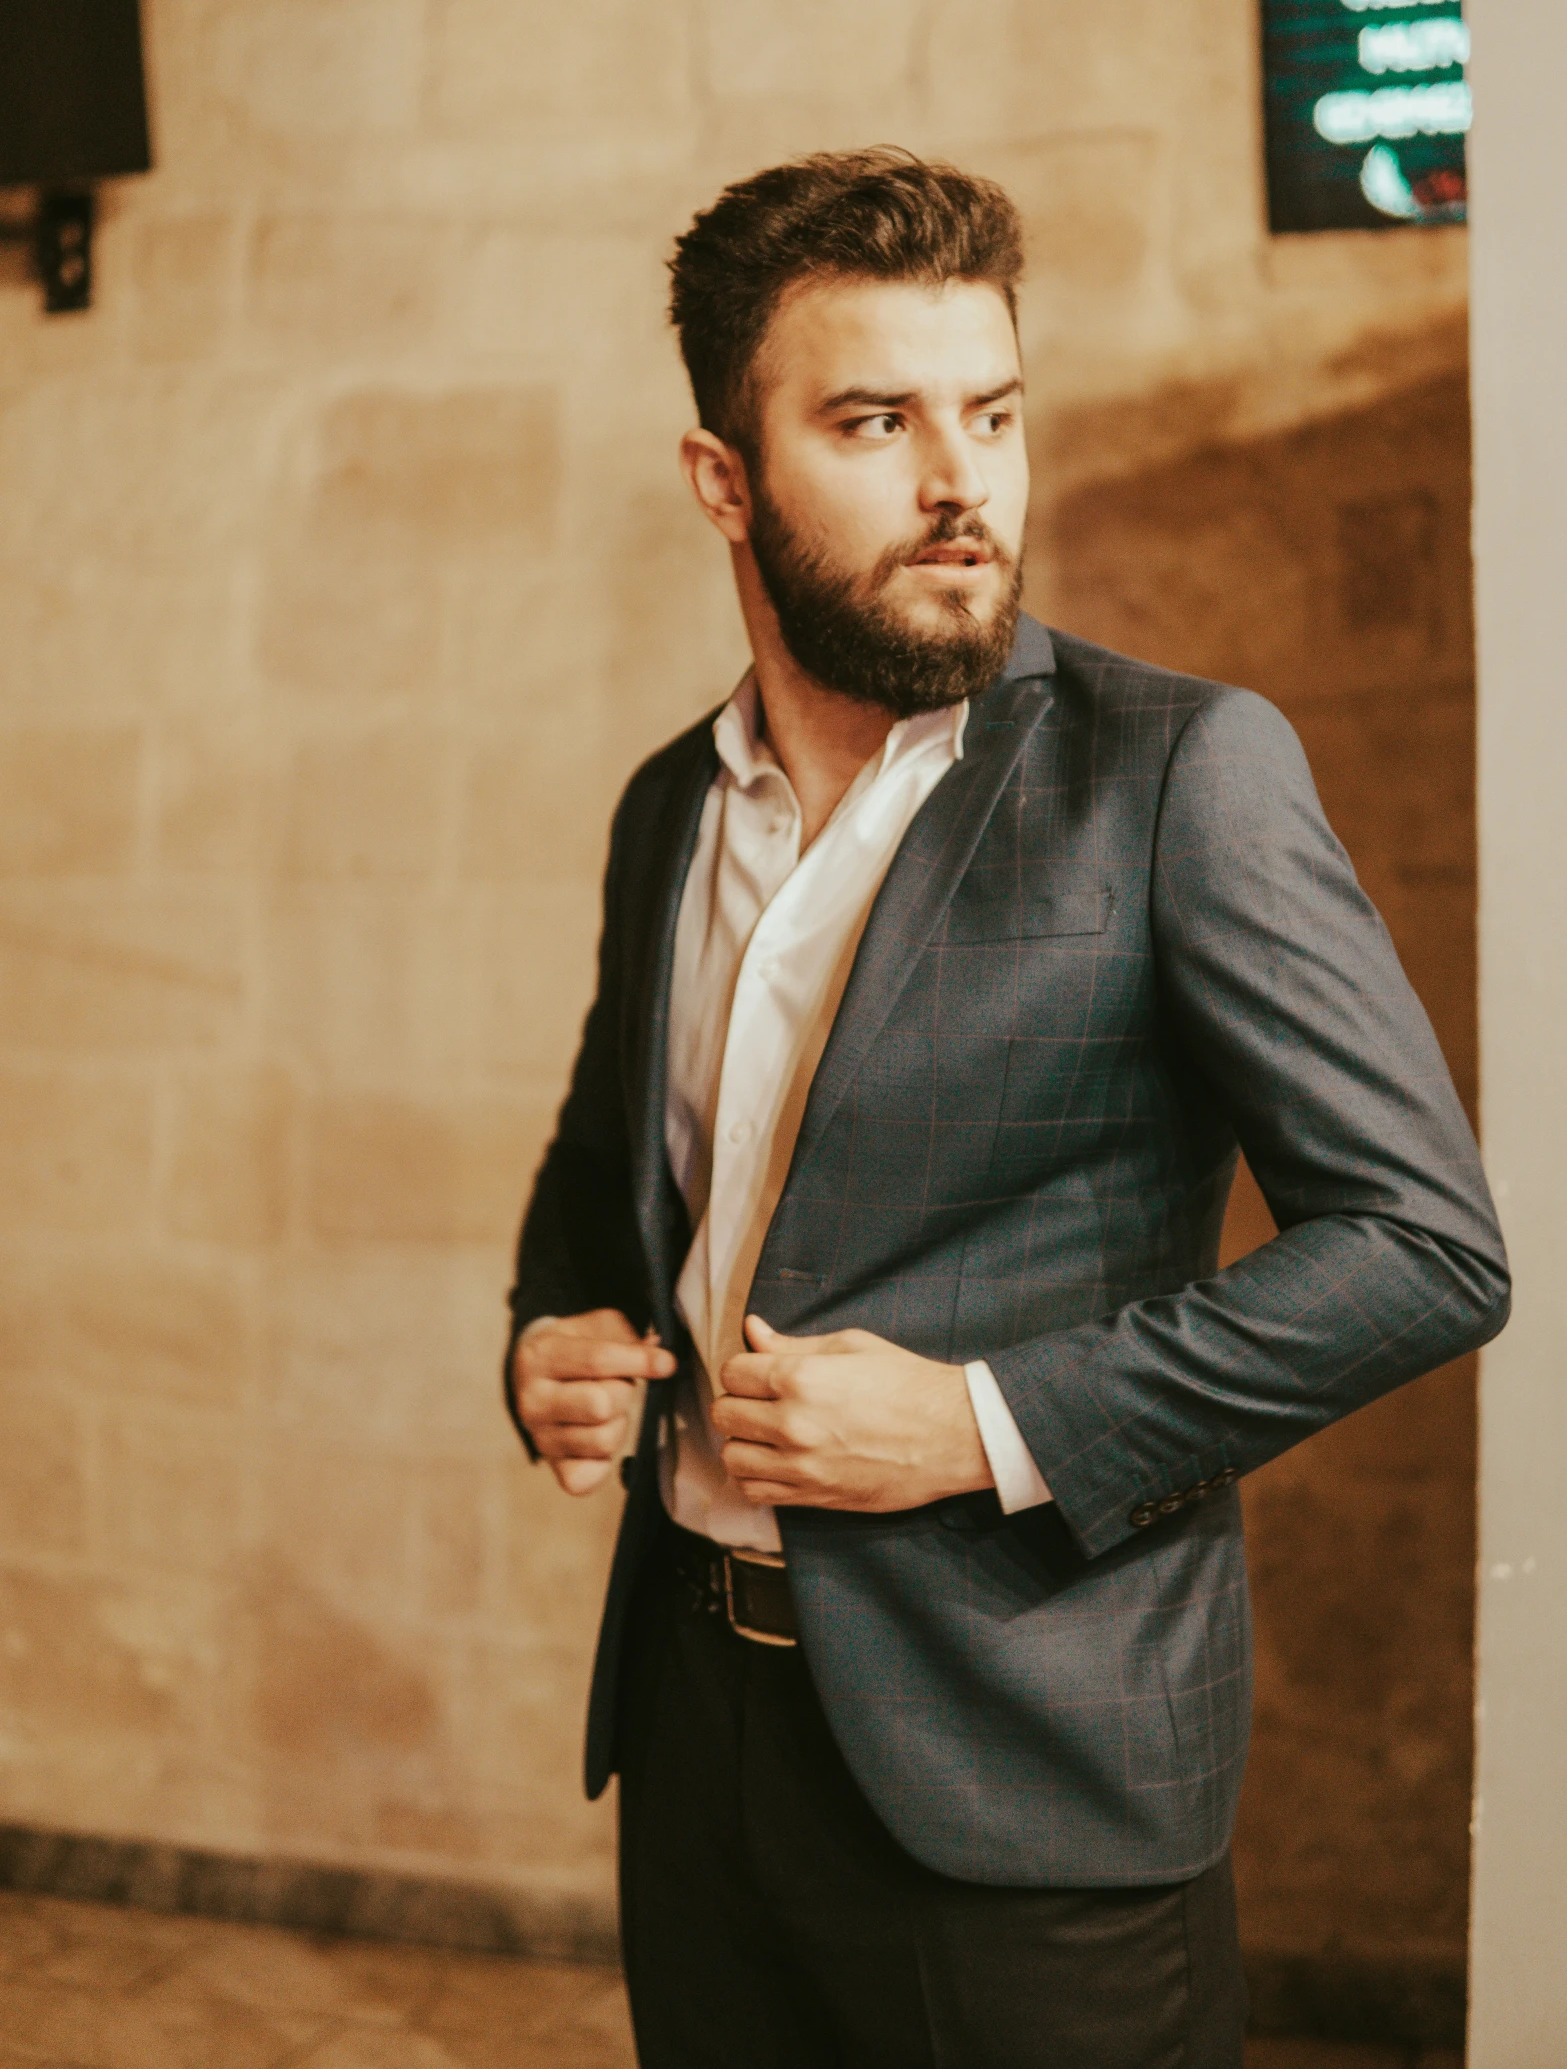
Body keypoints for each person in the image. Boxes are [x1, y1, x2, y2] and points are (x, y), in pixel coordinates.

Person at [504, 149, 1508, 2069]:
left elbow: (1425, 1250)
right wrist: (552, 1338)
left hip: (1030, 1759)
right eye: (876, 422)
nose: (961, 481)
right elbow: (595, 1187)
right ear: (724, 478)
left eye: (993, 413)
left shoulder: (1179, 774)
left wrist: (981, 1421)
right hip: (697, 1739)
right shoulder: (666, 810)